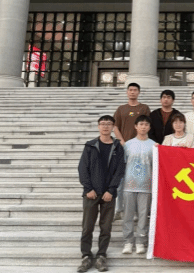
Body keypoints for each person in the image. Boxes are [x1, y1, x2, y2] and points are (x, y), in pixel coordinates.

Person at [77, 115, 125, 273]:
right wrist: (88, 189)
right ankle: (86, 255)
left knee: (106, 227)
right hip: (91, 193)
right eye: (103, 124)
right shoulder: (90, 145)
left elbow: (120, 171)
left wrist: (111, 190)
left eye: (108, 124)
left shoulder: (118, 147)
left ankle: (101, 255)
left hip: (108, 195)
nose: (105, 126)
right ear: (98, 126)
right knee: (87, 227)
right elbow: (82, 168)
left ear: (113, 127)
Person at [112, 82, 151, 220]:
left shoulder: (144, 108)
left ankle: (136, 211)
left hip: (140, 149)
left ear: (139, 92)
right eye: (130, 90)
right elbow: (115, 127)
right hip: (124, 149)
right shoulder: (121, 109)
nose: (132, 92)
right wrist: (122, 141)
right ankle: (118, 209)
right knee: (121, 179)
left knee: (138, 179)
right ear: (127, 92)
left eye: (135, 90)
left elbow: (147, 125)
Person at [122, 115, 155, 256]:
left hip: (146, 186)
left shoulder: (154, 145)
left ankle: (141, 242)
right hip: (129, 185)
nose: (143, 127)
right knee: (128, 215)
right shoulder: (128, 145)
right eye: (141, 124)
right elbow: (122, 165)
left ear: (149, 127)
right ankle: (128, 242)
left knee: (143, 216)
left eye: (146, 124)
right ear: (136, 126)